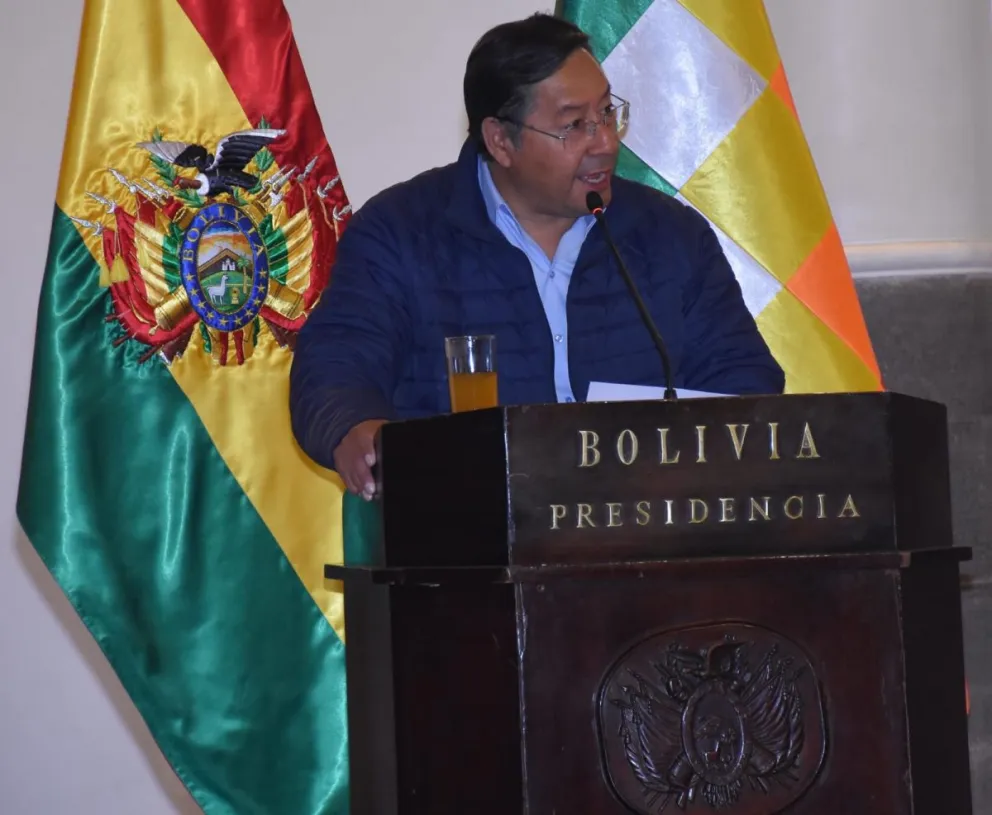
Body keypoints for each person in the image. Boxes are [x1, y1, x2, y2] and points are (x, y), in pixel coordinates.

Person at [290, 13, 784, 500]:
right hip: (465, 538)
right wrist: (351, 427)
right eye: (574, 126)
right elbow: (337, 363)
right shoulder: (402, 232)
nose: (606, 143)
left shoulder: (668, 235)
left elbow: (743, 378)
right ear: (501, 141)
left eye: (607, 114)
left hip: (644, 536)